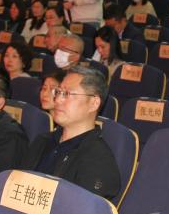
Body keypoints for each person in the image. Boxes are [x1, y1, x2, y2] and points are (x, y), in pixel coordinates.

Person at [22, 65, 121, 201]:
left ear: (93, 103)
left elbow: (79, 210)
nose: (58, 100)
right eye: (58, 92)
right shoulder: (43, 140)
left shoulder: (98, 161)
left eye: (67, 94)